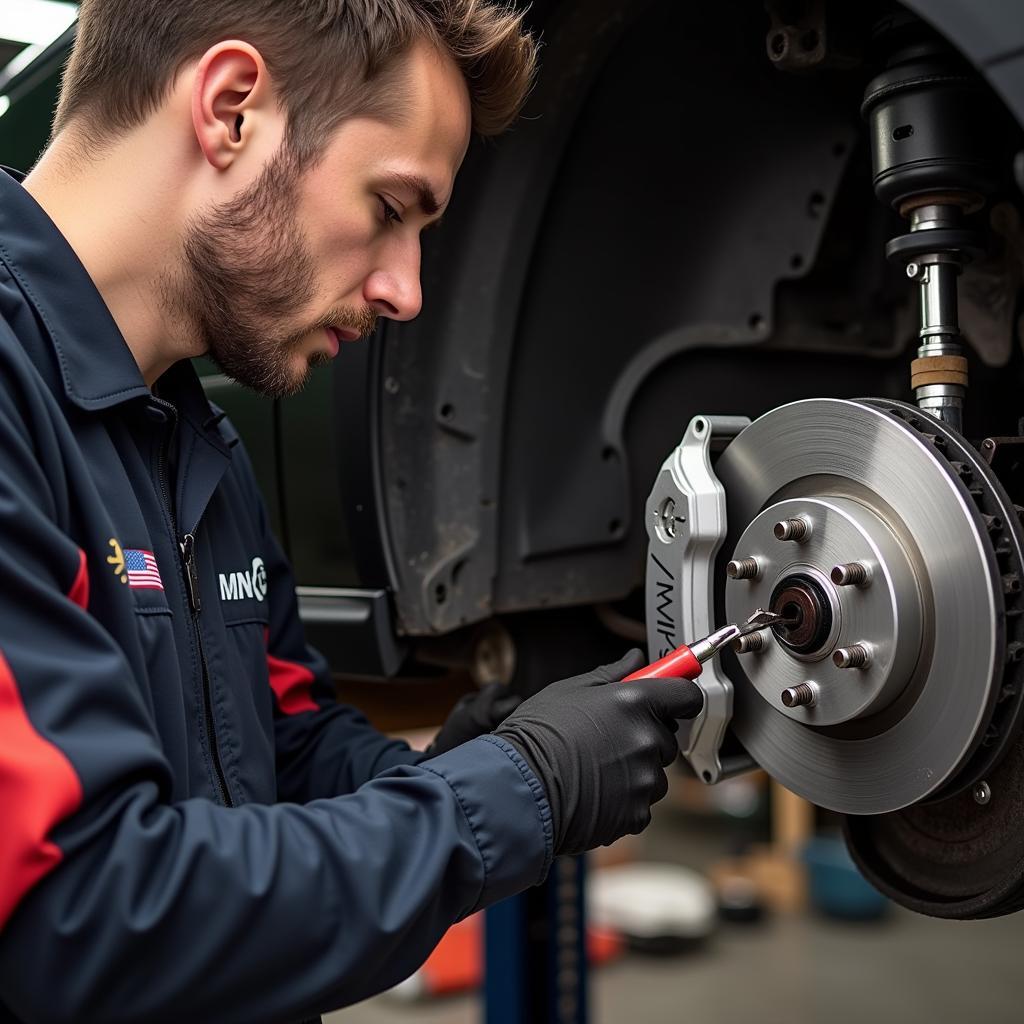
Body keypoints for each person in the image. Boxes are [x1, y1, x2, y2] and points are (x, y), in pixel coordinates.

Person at [0, 2, 702, 1021]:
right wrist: (518, 788)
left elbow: (284, 746)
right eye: (390, 207)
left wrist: (480, 753)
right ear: (231, 110)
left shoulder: (195, 446)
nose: (406, 290)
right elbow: (85, 909)